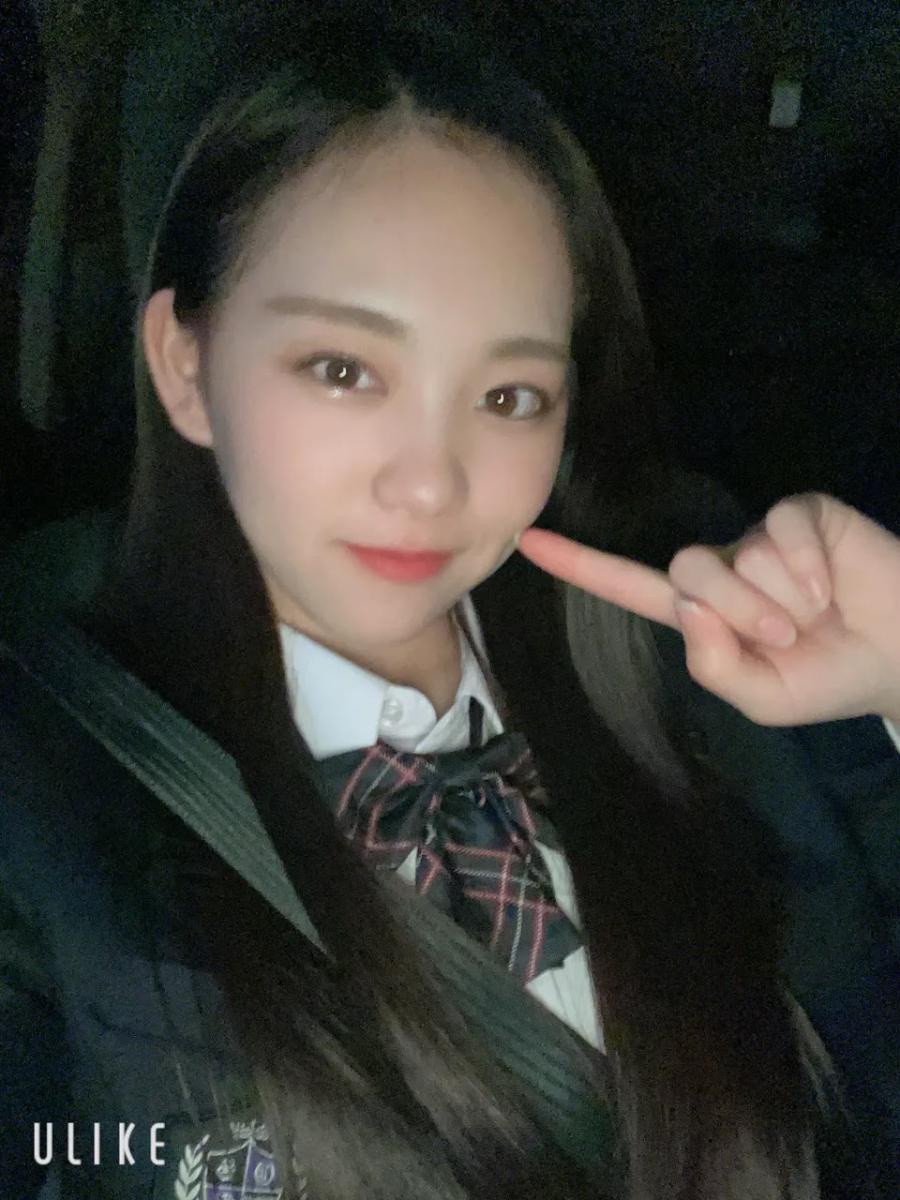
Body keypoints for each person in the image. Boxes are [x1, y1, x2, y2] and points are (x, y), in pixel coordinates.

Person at [1, 19, 898, 1200]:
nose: (431, 484)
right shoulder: (43, 795)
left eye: (510, 394)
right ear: (184, 366)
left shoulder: (718, 644)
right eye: (344, 369)